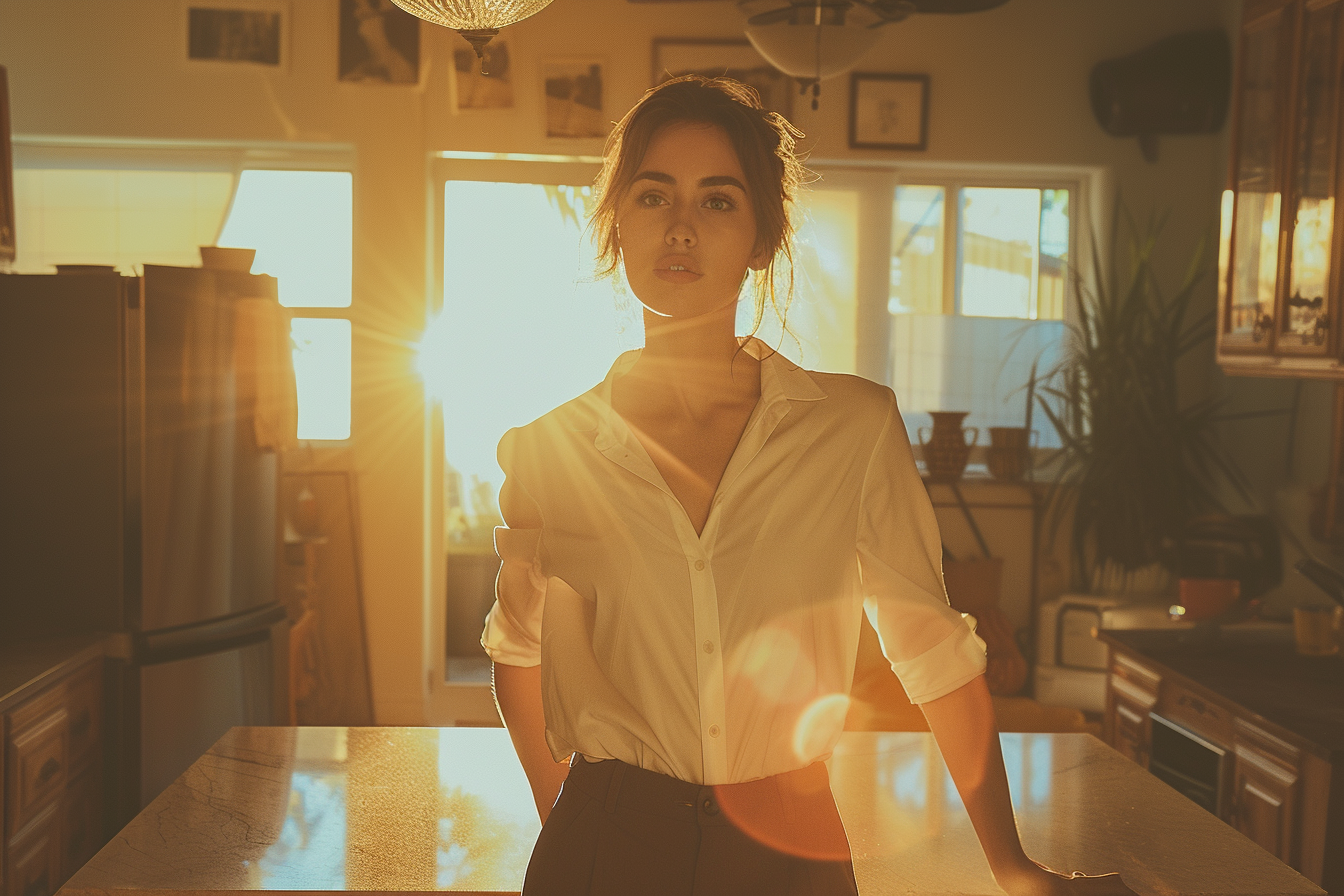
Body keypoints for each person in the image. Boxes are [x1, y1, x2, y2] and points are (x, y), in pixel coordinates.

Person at [482, 75, 1137, 896]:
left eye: (718, 201)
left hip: (790, 846)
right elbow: (518, 651)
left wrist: (1011, 865)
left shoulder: (853, 428)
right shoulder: (548, 449)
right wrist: (570, 819)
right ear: (617, 223)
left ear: (762, 236)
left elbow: (932, 650)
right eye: (654, 196)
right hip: (605, 841)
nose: (681, 226)